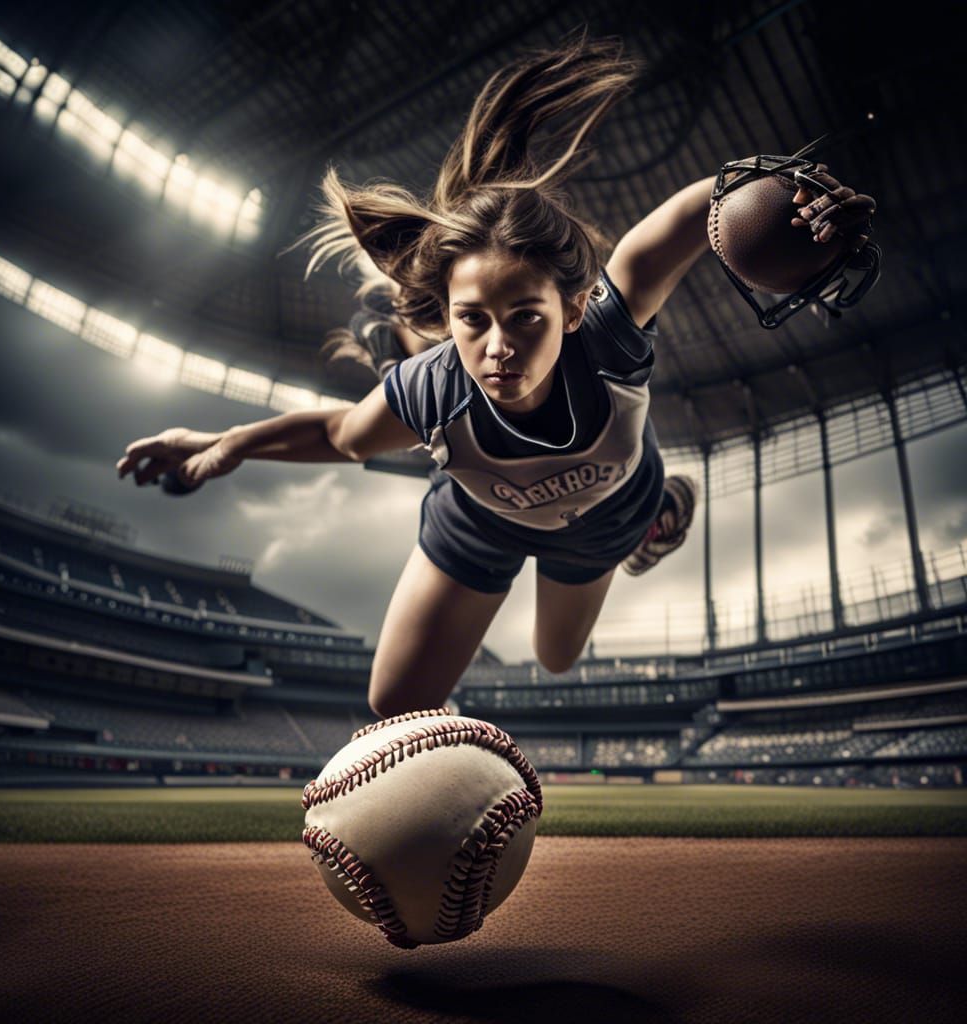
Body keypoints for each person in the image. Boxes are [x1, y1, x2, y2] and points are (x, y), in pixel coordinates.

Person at [116, 33, 875, 719]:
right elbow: (341, 435)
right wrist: (227, 443)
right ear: (448, 320)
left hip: (609, 518)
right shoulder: (435, 386)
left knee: (556, 656)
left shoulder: (607, 339)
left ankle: (662, 511)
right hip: (481, 520)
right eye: (472, 319)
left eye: (526, 317)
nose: (498, 346)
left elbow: (679, 225)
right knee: (393, 700)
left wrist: (785, 196)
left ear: (572, 309)